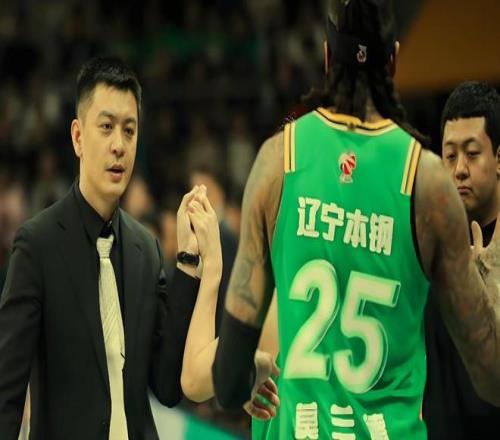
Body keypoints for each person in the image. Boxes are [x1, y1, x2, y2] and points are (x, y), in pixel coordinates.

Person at [211, 0, 500, 439]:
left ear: (327, 58)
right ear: (394, 60)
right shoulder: (427, 181)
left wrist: (251, 376)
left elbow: (228, 383)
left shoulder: (277, 160)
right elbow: (492, 379)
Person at [0, 56, 218, 440]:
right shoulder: (38, 245)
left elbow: (167, 387)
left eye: (129, 131)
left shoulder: (145, 250)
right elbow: (7, 392)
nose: (119, 145)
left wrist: (186, 263)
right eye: (106, 127)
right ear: (78, 137)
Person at [424, 81, 500, 439]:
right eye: (450, 156)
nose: (459, 170)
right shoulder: (427, 248)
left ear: (499, 159)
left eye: (472, 153)